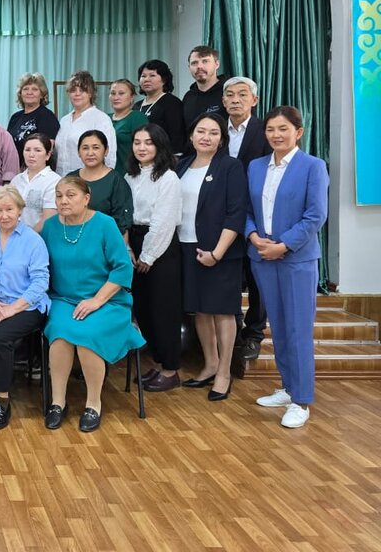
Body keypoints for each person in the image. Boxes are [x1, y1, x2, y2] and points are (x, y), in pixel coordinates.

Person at [246, 107, 328, 429]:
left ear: (299, 132)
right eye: (270, 130)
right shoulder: (254, 167)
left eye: (283, 129)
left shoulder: (313, 167)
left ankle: (301, 400)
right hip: (263, 257)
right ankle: (287, 387)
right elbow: (246, 209)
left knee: (298, 330)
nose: (276, 135)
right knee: (278, 327)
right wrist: (253, 237)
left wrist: (283, 245)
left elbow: (315, 215)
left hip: (296, 259)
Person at [41, 177, 143, 433]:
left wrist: (97, 300)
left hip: (107, 299)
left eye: (71, 195)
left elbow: (122, 267)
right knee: (61, 335)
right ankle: (57, 402)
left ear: (86, 198)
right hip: (64, 299)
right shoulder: (51, 226)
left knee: (88, 338)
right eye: (59, 195)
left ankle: (93, 403)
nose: (63, 200)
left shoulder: (105, 224)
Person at [176, 113, 247, 402]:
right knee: (200, 310)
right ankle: (209, 364)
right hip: (186, 246)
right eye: (201, 131)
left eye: (214, 132)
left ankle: (224, 373)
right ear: (191, 135)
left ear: (222, 138)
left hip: (219, 251)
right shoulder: (180, 166)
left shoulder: (230, 166)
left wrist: (217, 252)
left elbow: (236, 212)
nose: (206, 137)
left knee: (222, 310)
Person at [0, 185, 50, 429]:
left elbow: (40, 282)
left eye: (9, 209)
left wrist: (13, 308)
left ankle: (1, 401)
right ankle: (0, 373)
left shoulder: (33, 241)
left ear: (20, 210)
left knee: (2, 336)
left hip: (27, 305)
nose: (4, 215)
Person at [124, 124, 183, 392]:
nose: (142, 147)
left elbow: (163, 221)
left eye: (148, 142)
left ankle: (171, 370)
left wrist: (148, 255)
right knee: (144, 309)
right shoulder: (130, 176)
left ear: (159, 145)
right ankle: (158, 364)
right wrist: (130, 248)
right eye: (137, 142)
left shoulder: (168, 177)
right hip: (133, 241)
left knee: (163, 310)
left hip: (160, 248)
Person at [223, 76, 272, 361]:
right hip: (222, 215)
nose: (235, 100)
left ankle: (254, 334)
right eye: (230, 95)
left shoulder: (265, 131)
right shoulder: (217, 129)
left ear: (254, 100)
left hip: (256, 215)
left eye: (242, 95)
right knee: (227, 276)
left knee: (257, 279)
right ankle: (234, 329)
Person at [66, 130, 133, 235]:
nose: (90, 153)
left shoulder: (116, 180)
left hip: (105, 241)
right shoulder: (71, 178)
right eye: (85, 148)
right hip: (72, 236)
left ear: (106, 151)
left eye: (96, 148)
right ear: (78, 152)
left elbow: (122, 224)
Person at [55, 70, 116, 175]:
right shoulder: (64, 120)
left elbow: (109, 156)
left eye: (82, 90)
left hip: (88, 180)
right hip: (62, 180)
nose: (77, 94)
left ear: (91, 93)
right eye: (73, 90)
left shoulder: (101, 119)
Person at [7, 73, 60, 170]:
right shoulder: (15, 117)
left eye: (34, 89)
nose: (29, 92)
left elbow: (48, 149)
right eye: (26, 89)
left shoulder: (47, 116)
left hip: (38, 171)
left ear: (42, 94)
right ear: (20, 93)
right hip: (15, 171)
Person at [10, 132, 60, 232]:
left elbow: (48, 219)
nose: (31, 155)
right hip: (12, 235)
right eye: (27, 150)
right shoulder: (16, 180)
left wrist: (26, 239)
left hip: (38, 238)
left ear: (48, 155)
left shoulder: (54, 181)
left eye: (37, 150)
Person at [135, 60, 186, 154]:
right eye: (143, 76)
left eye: (152, 75)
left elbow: (177, 137)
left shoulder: (171, 103)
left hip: (164, 160)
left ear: (164, 80)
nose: (146, 79)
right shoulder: (137, 106)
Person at [108, 79, 148, 175]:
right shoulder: (105, 119)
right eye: (113, 93)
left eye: (121, 93)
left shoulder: (137, 117)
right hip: (106, 175)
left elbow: (145, 147)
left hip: (130, 174)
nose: (116, 97)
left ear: (132, 97)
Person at [182, 45, 225, 130]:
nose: (199, 66)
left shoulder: (229, 92)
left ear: (217, 64)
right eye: (194, 63)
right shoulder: (188, 97)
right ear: (189, 68)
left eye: (205, 61)